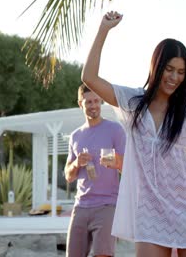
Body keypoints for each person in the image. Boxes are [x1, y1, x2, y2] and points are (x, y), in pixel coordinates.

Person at [82, 11, 186, 257]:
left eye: (181, 72)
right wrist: (103, 30)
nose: (174, 77)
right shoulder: (133, 102)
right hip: (150, 211)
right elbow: (89, 78)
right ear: (157, 67)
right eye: (169, 69)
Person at [64, 84, 126, 257]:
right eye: (88, 102)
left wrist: (117, 163)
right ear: (80, 104)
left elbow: (128, 169)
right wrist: (76, 163)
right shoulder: (75, 136)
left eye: (96, 101)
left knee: (103, 255)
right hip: (81, 205)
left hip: (107, 204)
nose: (93, 105)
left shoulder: (115, 130)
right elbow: (68, 176)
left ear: (101, 101)